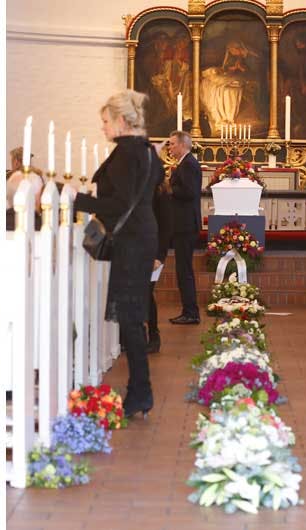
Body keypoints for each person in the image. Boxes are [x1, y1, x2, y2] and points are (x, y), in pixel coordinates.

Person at [74, 90, 164, 419]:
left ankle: (141, 391)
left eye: (106, 121)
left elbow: (118, 205)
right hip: (141, 236)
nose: (103, 127)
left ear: (122, 122)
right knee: (130, 316)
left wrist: (75, 200)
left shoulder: (128, 154)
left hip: (132, 240)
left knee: (129, 316)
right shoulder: (147, 151)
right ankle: (140, 390)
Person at [167, 130, 201, 325]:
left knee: (184, 269)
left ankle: (191, 312)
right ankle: (189, 310)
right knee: (183, 269)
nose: (170, 148)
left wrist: (167, 188)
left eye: (172, 144)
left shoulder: (188, 164)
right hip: (183, 223)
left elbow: (189, 192)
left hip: (185, 224)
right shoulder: (185, 164)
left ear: (182, 145)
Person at [147, 177, 173, 353]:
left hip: (153, 250)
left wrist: (159, 256)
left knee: (146, 292)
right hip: (136, 248)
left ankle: (154, 335)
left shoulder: (160, 192)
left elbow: (165, 227)